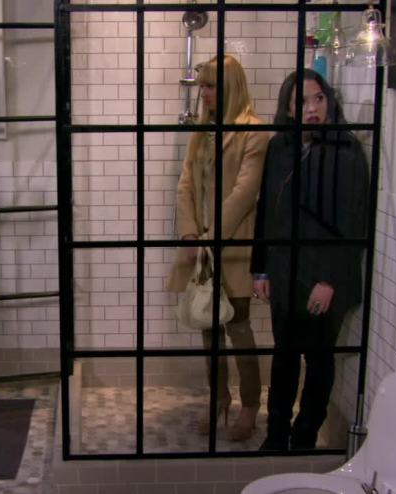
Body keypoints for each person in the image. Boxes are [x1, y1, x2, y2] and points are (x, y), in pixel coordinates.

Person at [252, 69, 369, 450]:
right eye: (301, 101)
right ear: (288, 108)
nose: (312, 108)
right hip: (285, 269)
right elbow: (266, 210)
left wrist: (329, 279)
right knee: (284, 355)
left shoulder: (346, 151)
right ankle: (275, 435)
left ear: (329, 100)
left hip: (325, 274)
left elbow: (353, 220)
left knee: (318, 359)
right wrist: (260, 267)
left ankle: (304, 437)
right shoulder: (280, 147)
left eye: (318, 98)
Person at [168, 55, 269, 441]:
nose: (204, 94)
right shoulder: (202, 130)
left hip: (233, 246)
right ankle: (218, 399)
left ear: (231, 87)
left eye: (211, 86)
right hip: (202, 248)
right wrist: (190, 234)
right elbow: (185, 185)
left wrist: (209, 238)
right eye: (203, 87)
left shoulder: (253, 132)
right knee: (208, 329)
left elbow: (245, 193)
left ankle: (250, 405)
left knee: (239, 328)